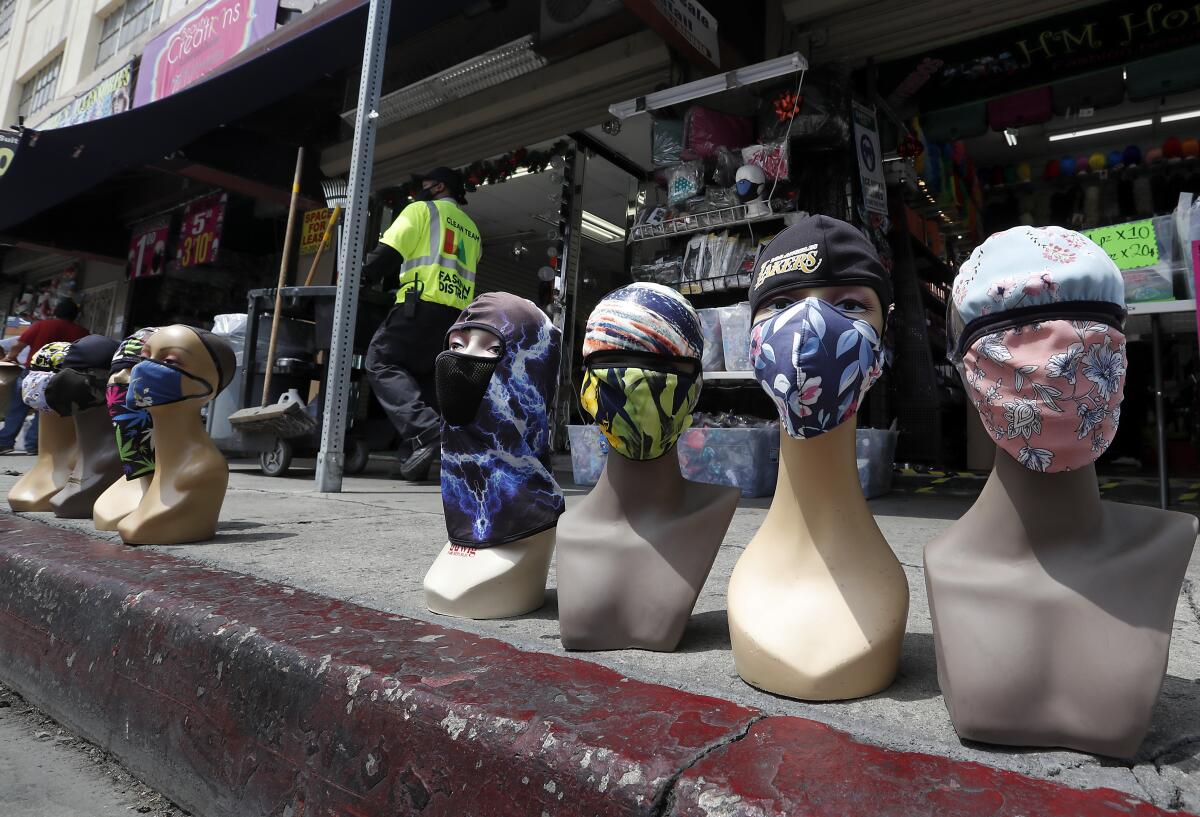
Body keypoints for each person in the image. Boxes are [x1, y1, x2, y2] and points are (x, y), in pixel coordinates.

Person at [362, 167, 482, 481]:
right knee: (425, 381)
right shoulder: (471, 229)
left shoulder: (421, 210)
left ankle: (427, 430)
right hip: (455, 318)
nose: (421, 188)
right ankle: (414, 459)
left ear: (439, 187)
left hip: (420, 305)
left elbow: (388, 252)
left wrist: (361, 275)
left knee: (381, 362)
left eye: (425, 183)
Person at [0, 298, 88, 454]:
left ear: (56, 312)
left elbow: (18, 345)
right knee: (45, 411)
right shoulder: (81, 332)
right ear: (75, 315)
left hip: (33, 372)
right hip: (61, 376)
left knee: (18, 407)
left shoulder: (42, 325)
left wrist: (11, 357)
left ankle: (5, 442)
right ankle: (34, 445)